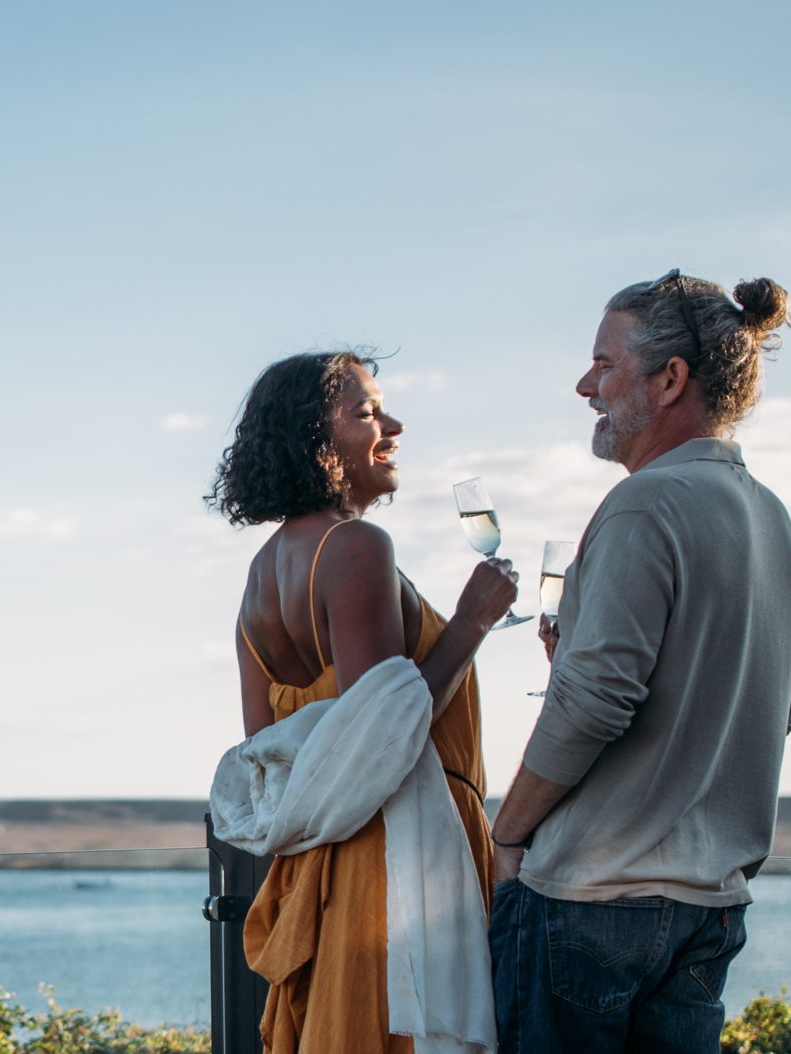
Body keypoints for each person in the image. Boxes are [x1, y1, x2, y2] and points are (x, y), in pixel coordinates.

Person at [484, 272, 791, 1054]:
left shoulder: (645, 503)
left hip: (594, 902)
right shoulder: (770, 516)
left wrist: (507, 836)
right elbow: (769, 700)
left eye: (603, 363)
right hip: (708, 911)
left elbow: (597, 704)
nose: (584, 385)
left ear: (670, 380)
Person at [209, 351, 522, 1054]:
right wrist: (471, 620)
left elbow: (270, 763)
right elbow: (382, 731)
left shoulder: (259, 581)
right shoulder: (356, 546)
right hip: (397, 875)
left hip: (316, 880)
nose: (395, 425)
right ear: (315, 442)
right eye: (368, 412)